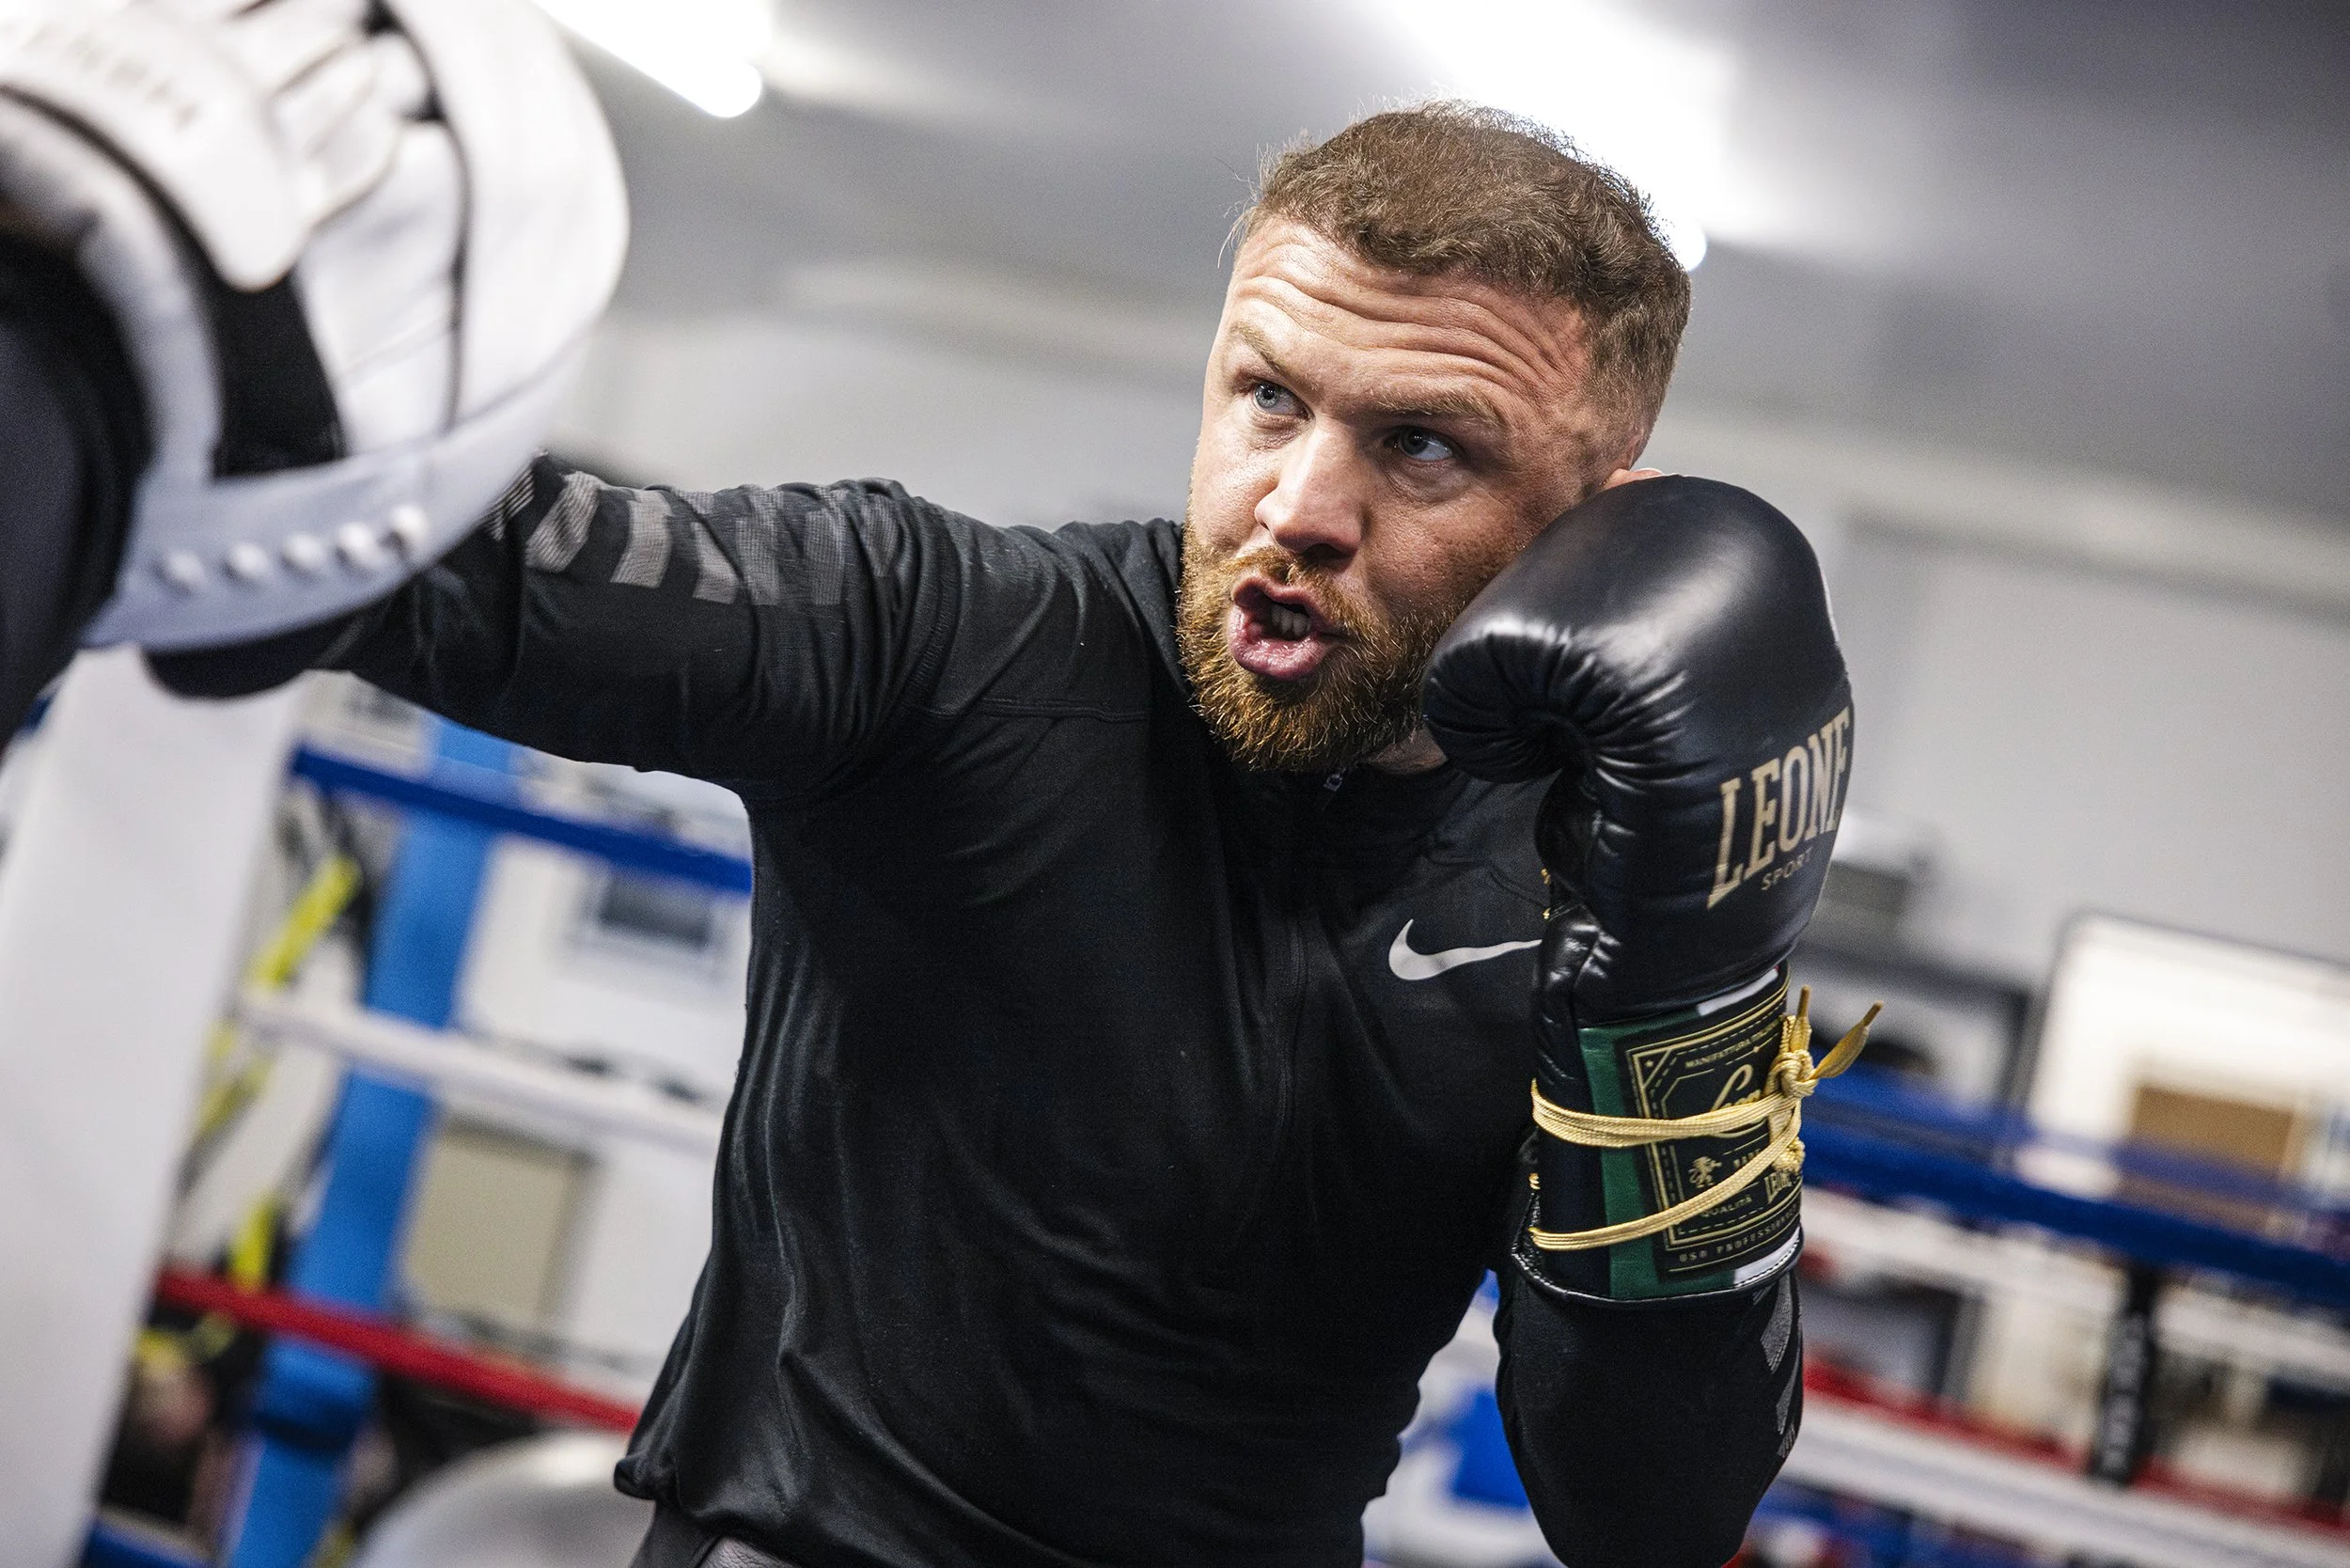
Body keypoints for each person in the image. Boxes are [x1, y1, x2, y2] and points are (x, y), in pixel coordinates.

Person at [7, 35, 1857, 1562]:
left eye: (1420, 446)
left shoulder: (1612, 877)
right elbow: (464, 566)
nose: (1296, 502)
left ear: (1601, 508)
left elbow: (1652, 1504)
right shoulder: (959, 638)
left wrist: (1689, 976)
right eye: (1263, 397)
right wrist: (86, 367)